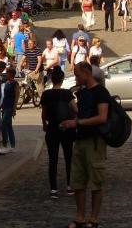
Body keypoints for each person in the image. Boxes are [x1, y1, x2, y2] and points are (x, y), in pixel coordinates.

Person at [59, 61, 111, 228]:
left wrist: (77, 123)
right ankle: (80, 217)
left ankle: (93, 219)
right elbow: (82, 114)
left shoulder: (101, 92)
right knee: (78, 181)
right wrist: (71, 121)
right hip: (79, 140)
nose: (76, 77)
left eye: (77, 74)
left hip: (95, 141)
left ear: (87, 73)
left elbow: (102, 117)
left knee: (96, 181)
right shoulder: (81, 93)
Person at [40, 67, 74, 199]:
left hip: (52, 128)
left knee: (53, 159)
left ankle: (53, 189)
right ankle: (69, 186)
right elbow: (75, 108)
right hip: (67, 128)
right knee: (68, 157)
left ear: (52, 79)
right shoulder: (67, 93)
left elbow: (44, 112)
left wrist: (44, 124)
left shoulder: (46, 94)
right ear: (62, 79)